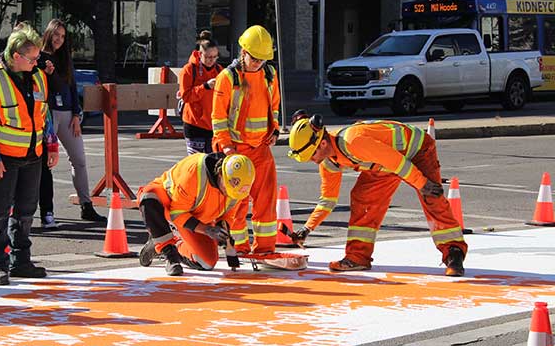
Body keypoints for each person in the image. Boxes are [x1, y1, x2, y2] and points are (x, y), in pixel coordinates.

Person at [286, 111, 467, 276]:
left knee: (431, 197)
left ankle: (454, 253)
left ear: (323, 143)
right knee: (362, 197)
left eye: (311, 155)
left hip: (416, 150)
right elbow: (327, 200)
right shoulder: (328, 163)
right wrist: (307, 229)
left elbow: (398, 162)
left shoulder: (354, 142)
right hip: (385, 164)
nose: (311, 160)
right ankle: (357, 258)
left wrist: (422, 184)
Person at [0, 23, 59, 286]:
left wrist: (52, 145)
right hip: (2, 157)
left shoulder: (38, 77)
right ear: (16, 57)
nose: (37, 62)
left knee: (25, 211)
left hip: (32, 155)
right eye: (32, 58)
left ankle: (21, 261)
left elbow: (44, 114)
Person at [211, 25, 280, 255]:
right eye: (254, 58)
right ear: (243, 52)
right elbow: (218, 117)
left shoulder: (269, 74)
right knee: (236, 205)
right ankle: (238, 247)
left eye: (262, 59)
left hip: (260, 148)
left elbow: (275, 106)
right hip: (235, 149)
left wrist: (275, 130)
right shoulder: (227, 77)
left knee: (266, 201)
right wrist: (227, 147)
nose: (258, 63)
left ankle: (265, 249)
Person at [36, 19, 105, 228]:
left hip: (67, 113)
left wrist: (76, 114)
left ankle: (86, 204)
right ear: (48, 34)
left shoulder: (65, 57)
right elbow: (50, 86)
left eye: (63, 36)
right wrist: (49, 72)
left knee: (79, 159)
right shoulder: (39, 57)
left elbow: (71, 86)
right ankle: (47, 212)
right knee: (44, 165)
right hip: (47, 113)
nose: (59, 39)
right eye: (56, 34)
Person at [138, 152, 254, 276]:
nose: (228, 194)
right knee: (148, 197)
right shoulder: (194, 172)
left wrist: (223, 231)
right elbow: (176, 213)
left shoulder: (236, 191)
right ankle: (169, 253)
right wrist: (206, 229)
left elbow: (227, 216)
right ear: (220, 174)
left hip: (196, 218)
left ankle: (165, 243)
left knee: (207, 262)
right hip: (171, 206)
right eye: (227, 189)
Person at [178, 30, 223, 155]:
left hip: (214, 123)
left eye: (215, 57)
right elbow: (186, 96)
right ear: (199, 54)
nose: (211, 60)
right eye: (208, 57)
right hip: (194, 123)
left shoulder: (220, 70)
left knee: (214, 164)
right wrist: (205, 87)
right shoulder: (188, 70)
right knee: (197, 165)